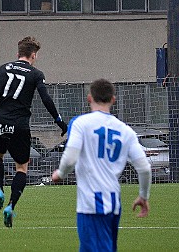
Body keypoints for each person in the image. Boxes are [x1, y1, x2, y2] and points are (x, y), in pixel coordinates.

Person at [52, 79, 151, 252]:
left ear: (89, 98)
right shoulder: (125, 130)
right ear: (113, 99)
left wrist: (60, 174)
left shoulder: (80, 123)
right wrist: (143, 196)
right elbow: (144, 167)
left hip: (93, 203)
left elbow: (70, 157)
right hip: (113, 202)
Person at [0, 36, 68, 227]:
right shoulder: (35, 74)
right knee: (22, 167)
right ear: (33, 55)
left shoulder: (2, 69)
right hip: (19, 124)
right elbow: (46, 99)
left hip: (0, 122)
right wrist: (59, 121)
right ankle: (10, 206)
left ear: (18, 53)